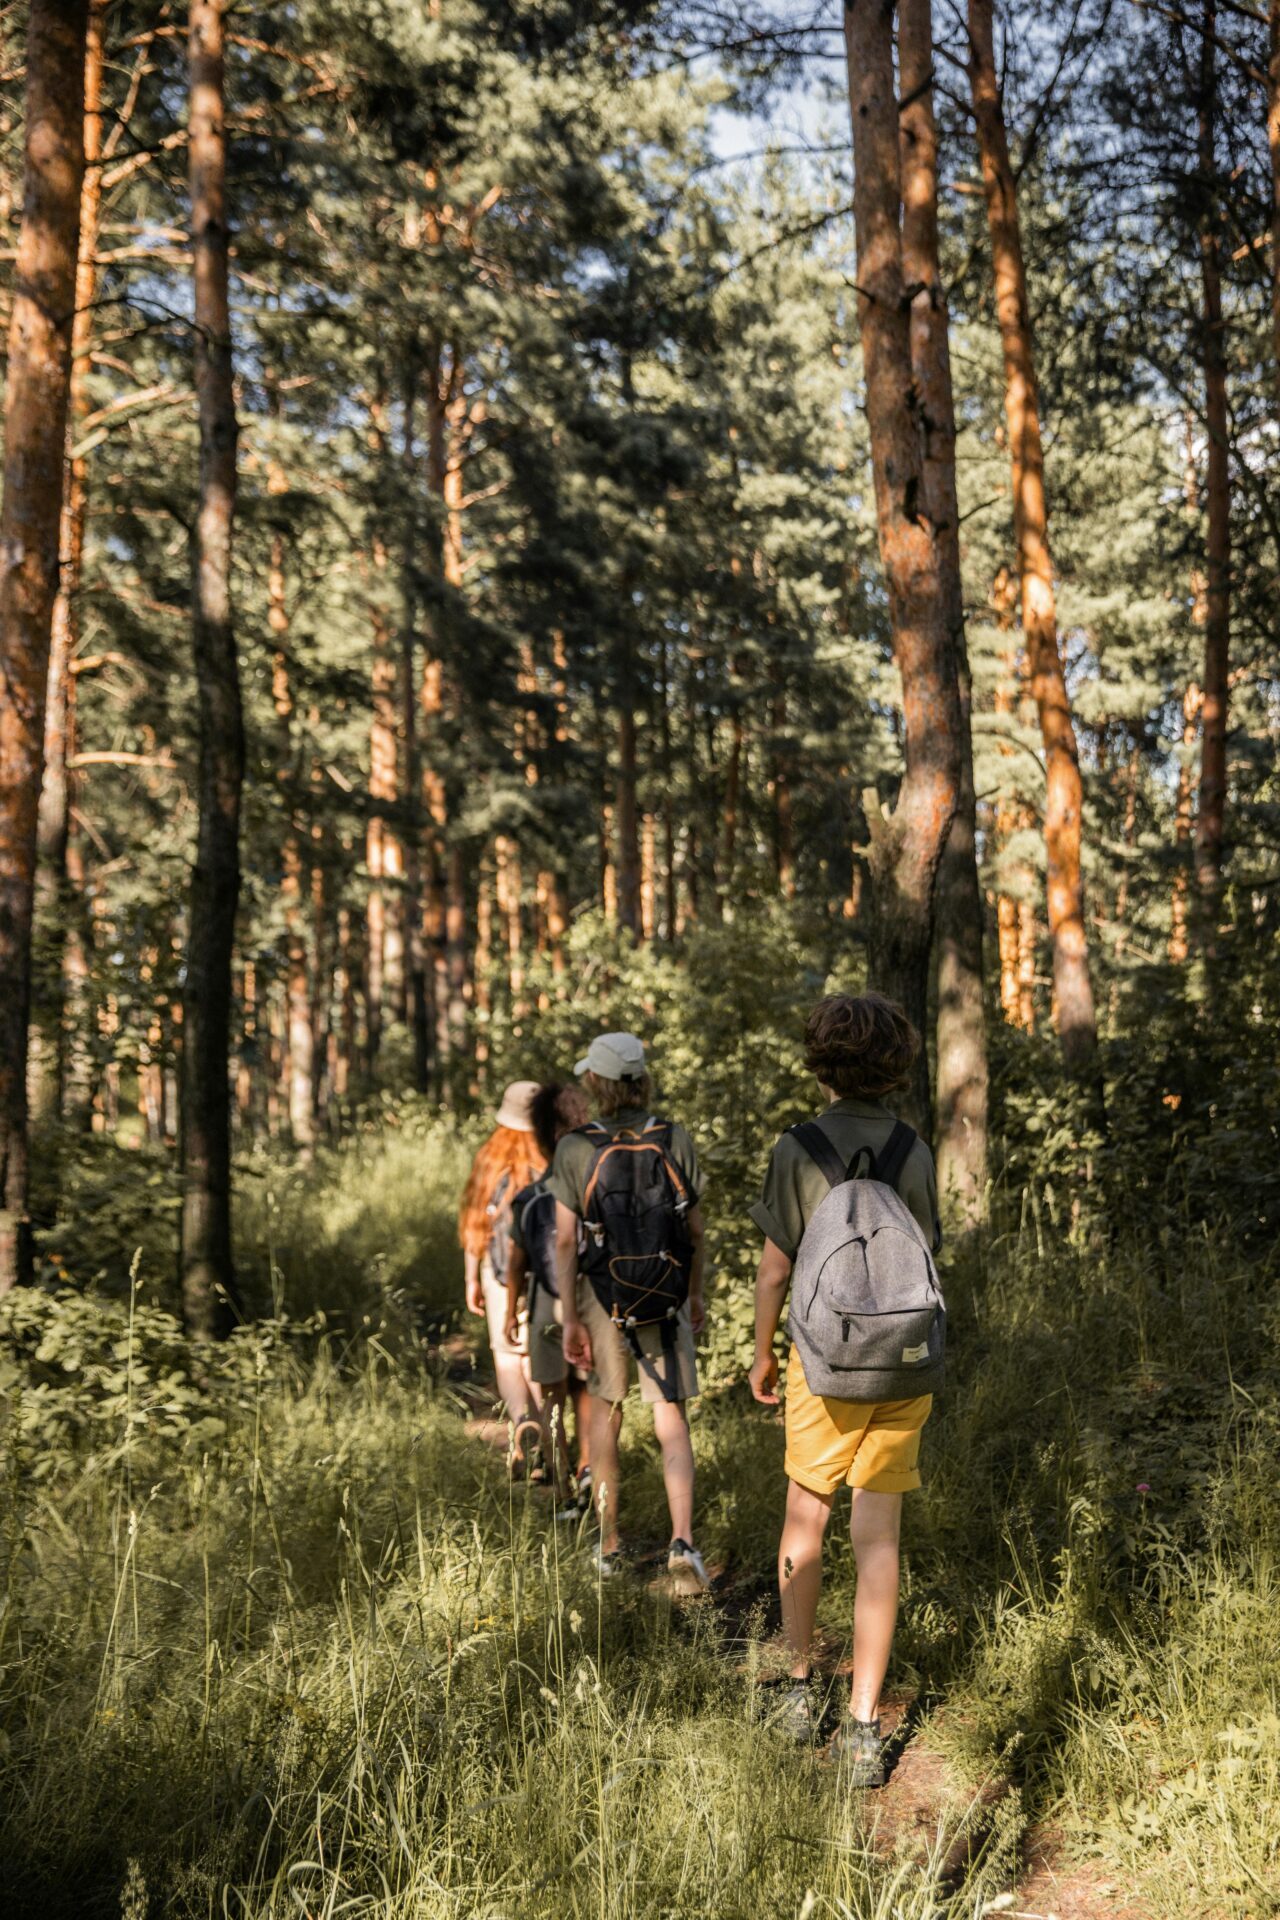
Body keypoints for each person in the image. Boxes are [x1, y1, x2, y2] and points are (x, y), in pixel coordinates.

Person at [748, 992, 943, 1785]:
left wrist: (761, 1353)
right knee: (879, 1537)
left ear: (820, 1061)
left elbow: (774, 1271)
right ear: (895, 1066)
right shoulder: (913, 1149)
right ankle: (864, 1727)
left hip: (824, 1366)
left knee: (806, 1516)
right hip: (901, 1362)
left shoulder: (797, 1148)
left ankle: (800, 1692)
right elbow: (923, 1258)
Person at [551, 1032, 710, 1587]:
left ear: (596, 1082)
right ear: (642, 1079)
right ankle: (683, 1544)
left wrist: (570, 1317)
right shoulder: (673, 1137)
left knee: (606, 1414)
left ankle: (610, 1545)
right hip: (666, 1292)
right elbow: (695, 1228)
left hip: (604, 1297)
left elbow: (565, 1242)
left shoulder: (576, 1148)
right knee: (671, 1415)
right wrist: (694, 1293)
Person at [503, 1080, 594, 1511]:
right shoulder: (592, 1187)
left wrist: (510, 1312)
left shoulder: (530, 1196)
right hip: (590, 1299)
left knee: (553, 1397)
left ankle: (563, 1488)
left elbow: (516, 1261)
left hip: (545, 1303)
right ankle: (590, 1469)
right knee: (587, 1391)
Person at [458, 1080, 543, 1453]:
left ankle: (522, 1422)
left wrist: (471, 1277)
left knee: (507, 1354)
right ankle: (546, 1436)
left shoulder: (490, 1158)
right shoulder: (551, 1155)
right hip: (544, 1274)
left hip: (498, 1270)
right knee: (534, 1354)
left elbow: (475, 1222)